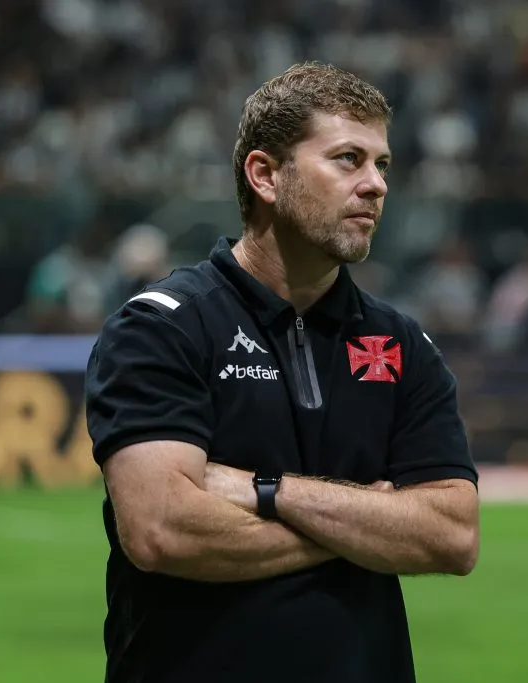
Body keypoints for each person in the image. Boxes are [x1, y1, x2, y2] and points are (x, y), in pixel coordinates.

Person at [85, 62, 480, 683]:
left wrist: (266, 491)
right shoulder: (160, 329)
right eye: (348, 159)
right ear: (265, 175)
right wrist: (366, 526)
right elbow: (162, 530)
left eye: (382, 164)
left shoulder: (401, 343)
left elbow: (452, 537)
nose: (376, 185)